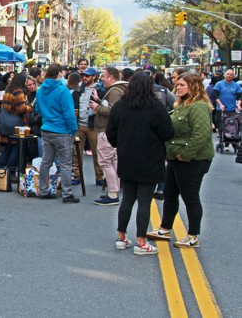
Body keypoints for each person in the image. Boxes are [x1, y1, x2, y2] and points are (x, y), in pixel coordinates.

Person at [106, 73, 174, 255]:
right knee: (144, 201)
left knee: (127, 198)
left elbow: (110, 133)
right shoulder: (156, 107)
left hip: (127, 157)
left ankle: (121, 237)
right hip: (150, 159)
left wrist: (121, 142)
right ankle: (141, 242)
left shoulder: (120, 107)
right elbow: (168, 132)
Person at [147, 73, 215, 248]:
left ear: (193, 86)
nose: (177, 88)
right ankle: (165, 228)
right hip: (176, 157)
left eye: (182, 85)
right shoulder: (183, 104)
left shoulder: (198, 106)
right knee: (169, 193)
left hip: (193, 159)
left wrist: (185, 154)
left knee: (190, 197)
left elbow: (201, 135)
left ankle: (193, 235)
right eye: (177, 85)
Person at [34, 63, 79, 203]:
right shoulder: (63, 91)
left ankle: (44, 190)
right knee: (66, 163)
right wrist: (73, 129)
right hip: (62, 130)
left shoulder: (40, 90)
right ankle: (67, 193)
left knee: (46, 161)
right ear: (59, 73)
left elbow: (37, 108)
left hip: (47, 128)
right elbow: (69, 113)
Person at [90, 67, 128, 205]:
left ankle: (113, 193)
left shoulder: (114, 91)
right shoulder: (119, 90)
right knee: (113, 161)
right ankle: (114, 190)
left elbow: (113, 110)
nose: (102, 79)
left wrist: (97, 107)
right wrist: (99, 101)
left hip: (107, 131)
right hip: (112, 130)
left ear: (111, 77)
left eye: (104, 76)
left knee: (106, 162)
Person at [72, 67, 105, 187]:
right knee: (76, 152)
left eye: (88, 76)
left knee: (98, 152)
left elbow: (105, 106)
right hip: (79, 125)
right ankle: (77, 175)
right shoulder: (77, 90)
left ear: (94, 77)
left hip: (94, 126)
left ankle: (99, 176)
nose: (84, 78)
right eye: (83, 75)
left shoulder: (100, 90)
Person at [0, 73, 32, 172]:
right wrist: (30, 107)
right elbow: (21, 109)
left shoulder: (8, 90)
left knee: (7, 148)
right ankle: (10, 172)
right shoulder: (19, 92)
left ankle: (0, 171)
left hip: (5, 123)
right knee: (16, 148)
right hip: (16, 124)